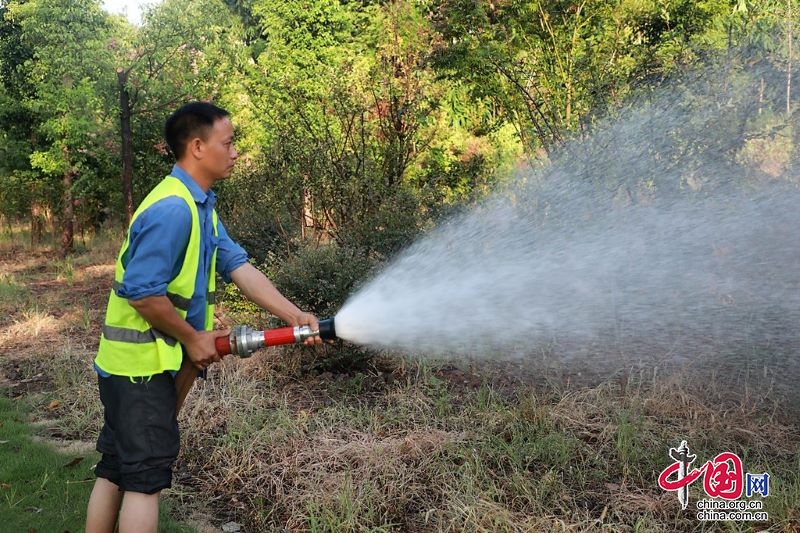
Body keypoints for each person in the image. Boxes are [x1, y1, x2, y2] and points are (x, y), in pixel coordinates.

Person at [85, 102, 322, 533]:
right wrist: (193, 338)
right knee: (145, 478)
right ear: (197, 146)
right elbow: (142, 293)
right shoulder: (174, 209)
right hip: (140, 368)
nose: (235, 153)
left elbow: (240, 268)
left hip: (134, 366)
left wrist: (296, 315)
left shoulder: (200, 205)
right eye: (227, 143)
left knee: (118, 465)